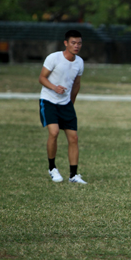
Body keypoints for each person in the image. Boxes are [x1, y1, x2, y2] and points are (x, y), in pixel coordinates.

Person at [38, 30, 86, 184]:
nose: (76, 46)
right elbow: (42, 78)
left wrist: (71, 102)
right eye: (73, 42)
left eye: (79, 43)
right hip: (49, 101)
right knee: (54, 132)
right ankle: (52, 168)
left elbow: (77, 84)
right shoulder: (54, 58)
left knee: (74, 138)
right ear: (66, 43)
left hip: (66, 104)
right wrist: (54, 87)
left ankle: (73, 175)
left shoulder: (79, 62)